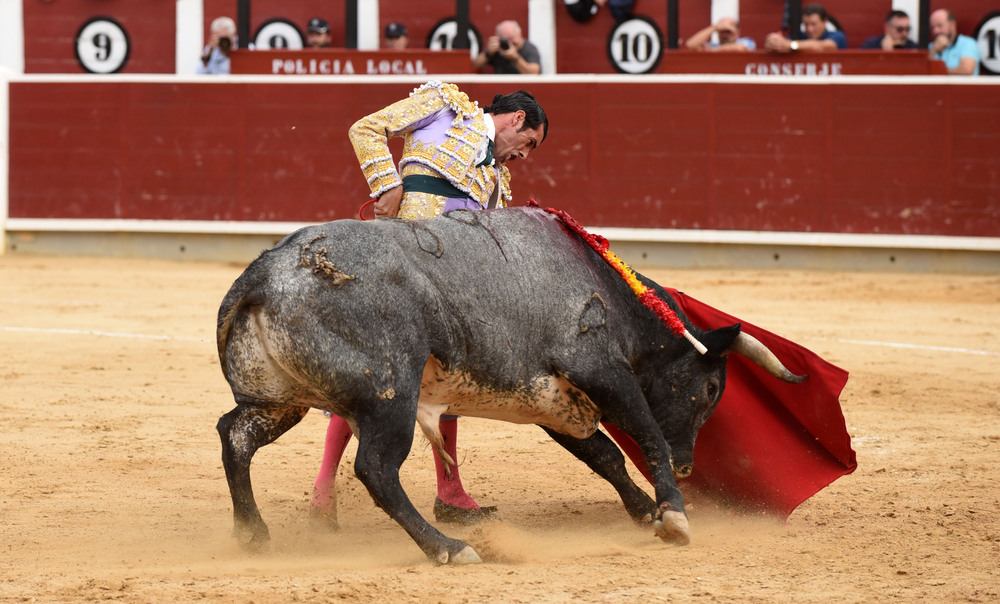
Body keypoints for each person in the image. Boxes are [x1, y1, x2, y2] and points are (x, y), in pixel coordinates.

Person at [310, 80, 548, 526]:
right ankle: (323, 488)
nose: (525, 155)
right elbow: (366, 128)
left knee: (450, 374)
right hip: (400, 263)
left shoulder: (498, 178)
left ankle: (450, 492)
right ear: (517, 119)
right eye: (528, 142)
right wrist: (389, 185)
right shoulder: (444, 107)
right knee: (368, 369)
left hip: (454, 285)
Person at [765, 3, 847, 53]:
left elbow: (822, 46)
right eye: (806, 24)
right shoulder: (801, 36)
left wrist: (790, 45)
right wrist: (774, 42)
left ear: (825, 22)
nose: (809, 29)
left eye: (813, 24)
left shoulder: (838, 36)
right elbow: (783, 44)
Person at [472, 20, 542, 75]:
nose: (509, 43)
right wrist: (488, 53)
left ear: (520, 35)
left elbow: (534, 73)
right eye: (505, 40)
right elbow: (474, 65)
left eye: (511, 38)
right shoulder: (497, 50)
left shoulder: (529, 48)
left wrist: (515, 58)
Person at [928, 9, 980, 76]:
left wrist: (940, 72)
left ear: (952, 24)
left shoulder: (968, 44)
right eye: (932, 28)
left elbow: (966, 70)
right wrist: (934, 51)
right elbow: (922, 72)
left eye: (940, 26)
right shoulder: (930, 47)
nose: (935, 31)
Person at [685, 17, 756, 52]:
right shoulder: (713, 45)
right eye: (722, 31)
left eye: (728, 31)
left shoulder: (747, 41)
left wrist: (713, 50)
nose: (725, 35)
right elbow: (691, 44)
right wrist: (714, 27)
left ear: (737, 32)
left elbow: (740, 48)